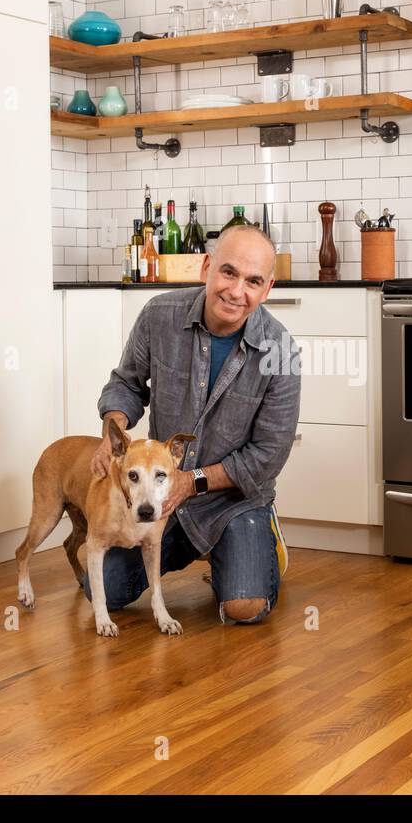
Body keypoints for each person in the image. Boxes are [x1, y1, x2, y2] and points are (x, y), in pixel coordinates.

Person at [89, 224, 301, 624]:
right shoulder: (158, 316)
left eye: (253, 281)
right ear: (207, 266)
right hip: (162, 494)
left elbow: (267, 456)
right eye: (228, 272)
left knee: (243, 608)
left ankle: (254, 543)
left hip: (233, 501)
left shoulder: (282, 350)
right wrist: (112, 431)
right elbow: (126, 385)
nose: (237, 291)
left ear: (267, 289)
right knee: (106, 591)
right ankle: (202, 550)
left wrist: (192, 481)